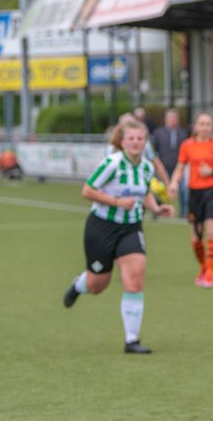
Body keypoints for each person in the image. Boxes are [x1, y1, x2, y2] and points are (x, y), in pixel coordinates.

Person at [61, 119, 176, 353]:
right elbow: (87, 190)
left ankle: (131, 340)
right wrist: (116, 202)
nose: (136, 142)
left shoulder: (147, 167)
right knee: (97, 285)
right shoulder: (111, 164)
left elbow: (144, 193)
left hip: (131, 227)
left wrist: (156, 208)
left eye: (140, 138)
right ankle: (79, 285)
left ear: (145, 142)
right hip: (102, 227)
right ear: (122, 142)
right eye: (131, 138)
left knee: (135, 279)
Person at [168, 113, 213, 289]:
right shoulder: (187, 145)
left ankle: (210, 275)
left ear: (212, 127)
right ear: (195, 126)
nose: (205, 127)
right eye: (202, 124)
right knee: (196, 238)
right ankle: (203, 267)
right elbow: (180, 167)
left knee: (212, 232)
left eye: (208, 124)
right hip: (195, 193)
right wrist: (174, 182)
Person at [152, 109, 190, 216]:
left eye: (175, 118)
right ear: (166, 119)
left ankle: (183, 213)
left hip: (178, 167)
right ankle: (157, 210)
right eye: (171, 118)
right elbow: (154, 150)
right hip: (163, 167)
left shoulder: (183, 133)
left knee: (182, 190)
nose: (173, 120)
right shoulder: (158, 133)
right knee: (159, 189)